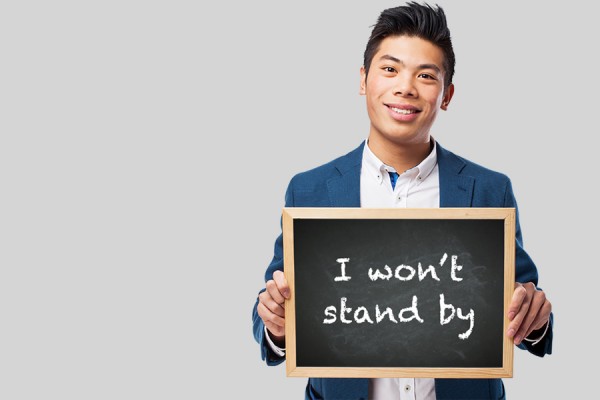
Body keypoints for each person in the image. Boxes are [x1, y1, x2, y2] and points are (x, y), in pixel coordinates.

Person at [252, 2, 553, 399]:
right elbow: (273, 315)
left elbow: (526, 303)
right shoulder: (311, 189)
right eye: (390, 69)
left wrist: (536, 317)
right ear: (364, 79)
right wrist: (275, 323)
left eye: (426, 75)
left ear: (446, 95)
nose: (405, 87)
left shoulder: (488, 189)